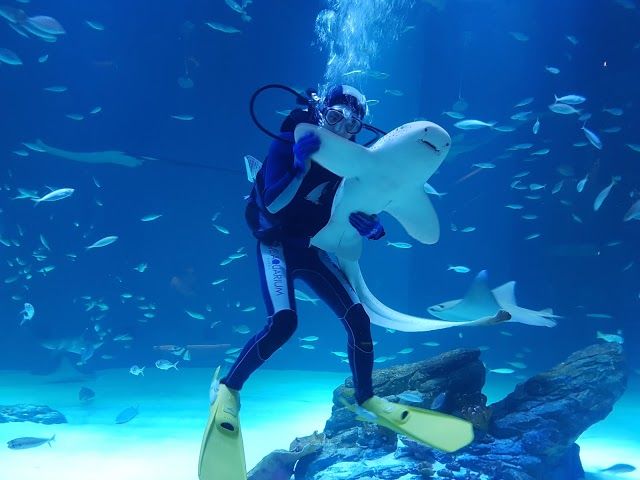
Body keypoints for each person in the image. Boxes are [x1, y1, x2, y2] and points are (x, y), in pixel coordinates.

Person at [198, 85, 475, 480]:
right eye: (335, 118)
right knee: (283, 323)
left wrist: (374, 228)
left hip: (312, 247)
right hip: (275, 243)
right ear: (321, 112)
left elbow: (358, 208)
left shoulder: (355, 162)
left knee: (359, 319)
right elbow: (273, 205)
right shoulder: (291, 141)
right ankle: (229, 389)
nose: (342, 129)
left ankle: (367, 398)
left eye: (352, 125)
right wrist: (299, 166)